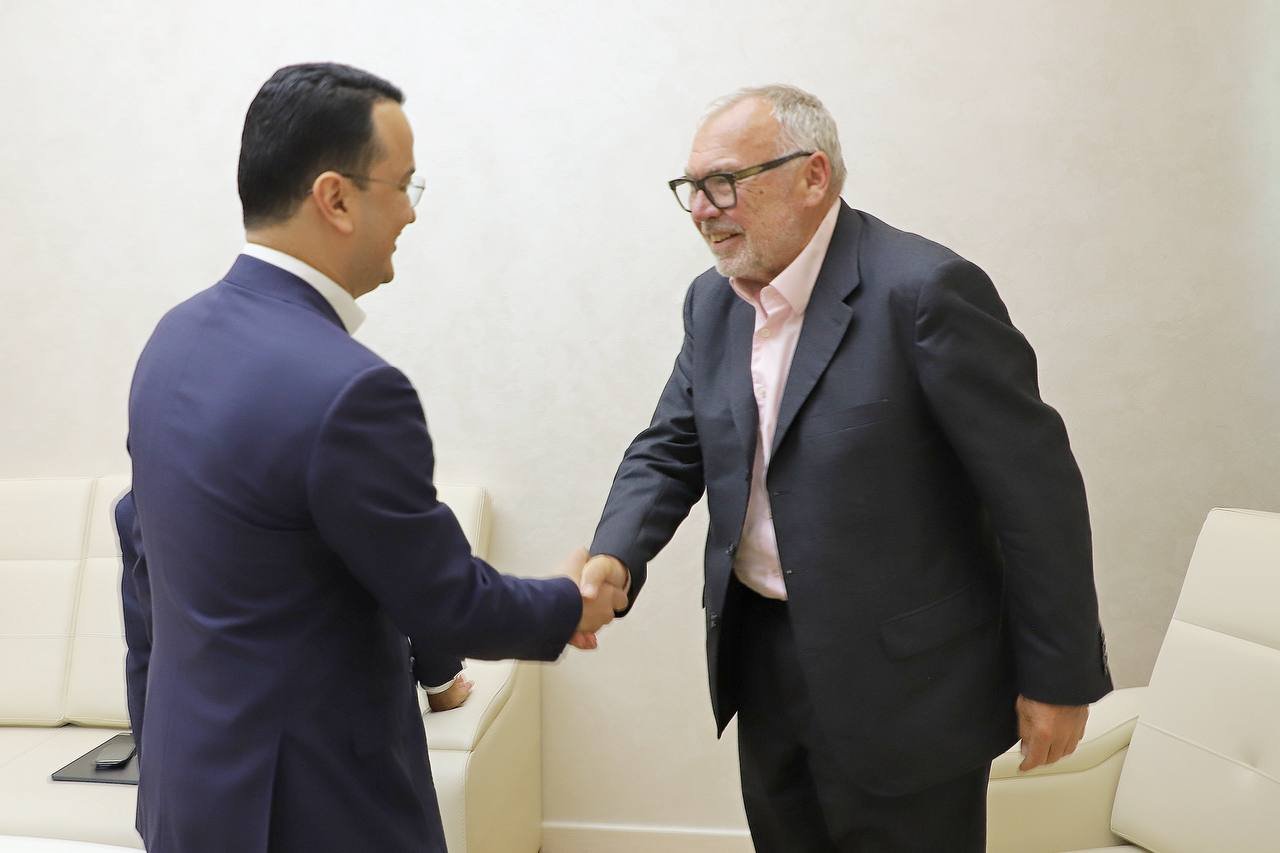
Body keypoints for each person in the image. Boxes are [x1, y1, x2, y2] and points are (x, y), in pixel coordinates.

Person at [580, 84, 1112, 851]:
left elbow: (1036, 493)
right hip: (764, 658)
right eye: (690, 188)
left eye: (723, 183)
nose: (701, 209)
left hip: (910, 684)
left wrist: (1058, 676)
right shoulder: (712, 303)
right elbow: (671, 445)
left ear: (812, 176)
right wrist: (615, 554)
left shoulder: (925, 292)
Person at [122, 62, 625, 853]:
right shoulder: (351, 390)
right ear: (336, 198)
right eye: (404, 185)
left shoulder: (171, 341)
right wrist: (571, 603)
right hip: (317, 811)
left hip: (188, 797)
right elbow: (446, 601)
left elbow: (142, 568)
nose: (412, 214)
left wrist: (159, 756)